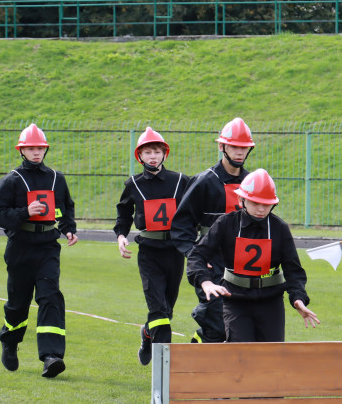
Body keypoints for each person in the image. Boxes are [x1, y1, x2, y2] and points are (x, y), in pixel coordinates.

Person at [187, 168, 318, 341]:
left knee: (271, 357)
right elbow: (197, 255)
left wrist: (298, 298)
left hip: (271, 301)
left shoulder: (280, 228)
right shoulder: (226, 223)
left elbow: (293, 270)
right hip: (235, 300)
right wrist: (205, 282)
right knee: (242, 355)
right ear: (242, 200)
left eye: (267, 204)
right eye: (255, 203)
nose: (261, 209)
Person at [0, 124, 78, 378]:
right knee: (18, 303)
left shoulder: (56, 178)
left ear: (45, 149)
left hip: (49, 245)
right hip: (20, 246)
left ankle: (51, 356)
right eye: (31, 148)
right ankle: (10, 340)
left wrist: (69, 228)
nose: (36, 152)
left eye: (40, 148)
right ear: (22, 150)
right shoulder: (11, 180)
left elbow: (66, 206)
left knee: (50, 296)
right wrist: (24, 213)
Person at [170, 117, 254, 343]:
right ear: (221, 146)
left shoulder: (251, 183)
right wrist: (194, 255)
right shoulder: (205, 181)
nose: (239, 152)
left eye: (244, 148)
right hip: (211, 262)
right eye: (234, 146)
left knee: (240, 324)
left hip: (242, 264)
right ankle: (201, 342)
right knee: (217, 321)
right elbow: (181, 225)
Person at [114, 127, 191, 364]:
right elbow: (124, 214)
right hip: (148, 252)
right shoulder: (133, 184)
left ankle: (147, 334)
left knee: (166, 310)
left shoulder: (181, 181)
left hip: (175, 251)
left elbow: (192, 212)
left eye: (157, 151)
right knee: (158, 309)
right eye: (148, 152)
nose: (153, 156)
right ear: (140, 156)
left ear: (164, 154)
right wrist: (121, 236)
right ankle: (164, 367)